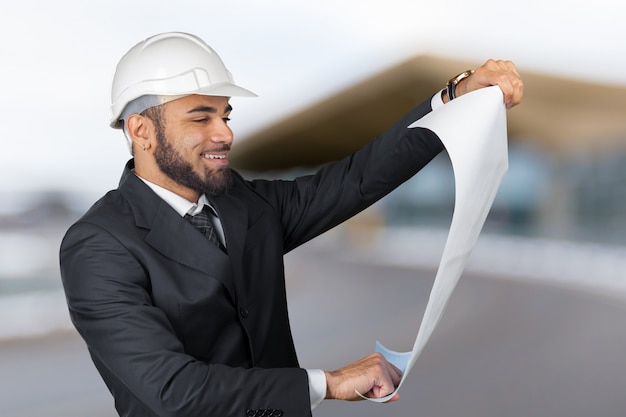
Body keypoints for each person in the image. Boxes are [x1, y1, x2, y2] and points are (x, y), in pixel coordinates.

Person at [60, 32, 523, 417]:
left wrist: (453, 98)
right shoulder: (98, 246)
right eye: (201, 117)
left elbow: (357, 179)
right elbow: (175, 391)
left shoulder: (244, 205)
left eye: (224, 115)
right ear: (141, 129)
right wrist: (330, 383)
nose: (224, 133)